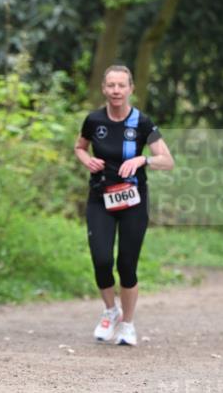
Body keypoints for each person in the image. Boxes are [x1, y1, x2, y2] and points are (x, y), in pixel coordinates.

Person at [74, 65, 174, 345]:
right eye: (111, 86)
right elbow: (80, 146)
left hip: (133, 201)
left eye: (121, 85)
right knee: (102, 259)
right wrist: (86, 160)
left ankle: (128, 324)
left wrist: (144, 160)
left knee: (127, 264)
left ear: (131, 89)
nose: (116, 91)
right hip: (100, 198)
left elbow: (168, 160)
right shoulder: (93, 120)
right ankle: (110, 310)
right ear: (104, 89)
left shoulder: (142, 123)